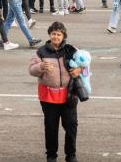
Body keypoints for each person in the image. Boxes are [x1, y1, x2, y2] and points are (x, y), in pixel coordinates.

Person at [28, 22, 82, 162]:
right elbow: (32, 70)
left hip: (68, 95)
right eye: (53, 34)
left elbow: (84, 63)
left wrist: (79, 70)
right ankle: (51, 156)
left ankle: (71, 155)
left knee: (71, 126)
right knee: (51, 128)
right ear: (49, 35)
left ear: (63, 35)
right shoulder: (41, 51)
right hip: (48, 97)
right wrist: (41, 66)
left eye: (58, 34)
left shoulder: (71, 50)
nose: (56, 36)